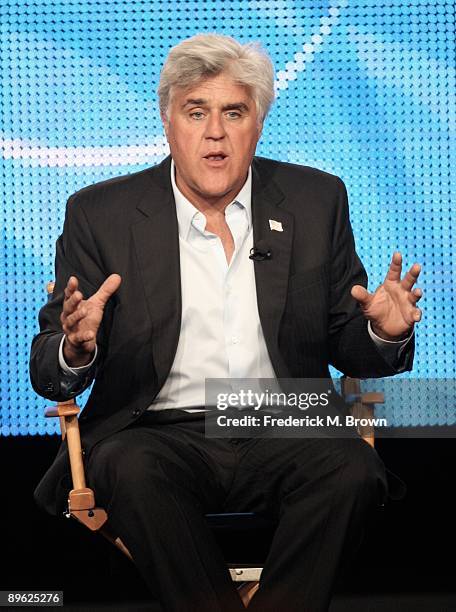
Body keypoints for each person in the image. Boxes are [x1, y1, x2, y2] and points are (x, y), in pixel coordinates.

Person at [30, 34, 422, 612]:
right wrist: (76, 347)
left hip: (284, 415)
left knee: (353, 471)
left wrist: (385, 332)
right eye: (196, 112)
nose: (215, 132)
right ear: (169, 122)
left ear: (256, 123)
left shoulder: (317, 200)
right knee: (131, 469)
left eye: (233, 112)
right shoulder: (101, 213)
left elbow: (347, 342)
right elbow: (48, 369)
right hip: (155, 428)